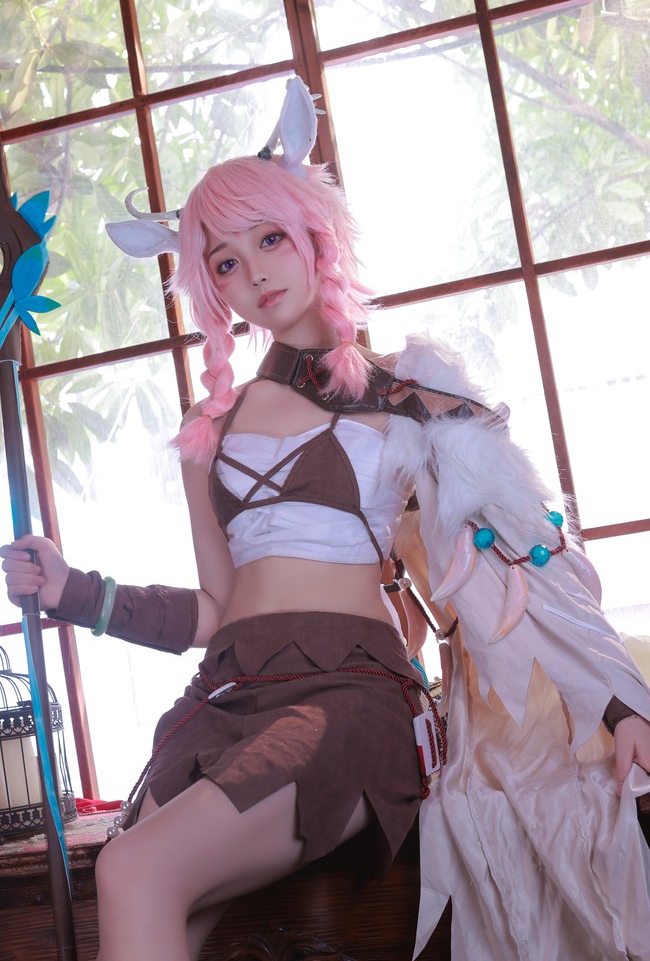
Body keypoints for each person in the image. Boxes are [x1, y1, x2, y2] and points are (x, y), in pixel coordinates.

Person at [2, 77, 650, 961]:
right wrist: (74, 591)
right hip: (223, 702)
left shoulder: (408, 399)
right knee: (154, 904)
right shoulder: (208, 434)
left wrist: (616, 702)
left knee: (131, 869)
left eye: (268, 238)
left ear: (312, 232)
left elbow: (528, 554)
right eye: (225, 261)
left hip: (348, 696)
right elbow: (215, 611)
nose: (255, 271)